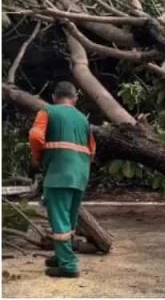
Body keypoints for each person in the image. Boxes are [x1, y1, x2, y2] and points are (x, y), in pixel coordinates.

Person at [28, 81, 96, 278]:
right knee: (70, 219)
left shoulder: (47, 111)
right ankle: (61, 255)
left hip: (58, 173)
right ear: (74, 99)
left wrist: (39, 157)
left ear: (54, 97)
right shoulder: (83, 119)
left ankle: (68, 265)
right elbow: (92, 150)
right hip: (80, 175)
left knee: (58, 219)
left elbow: (35, 136)